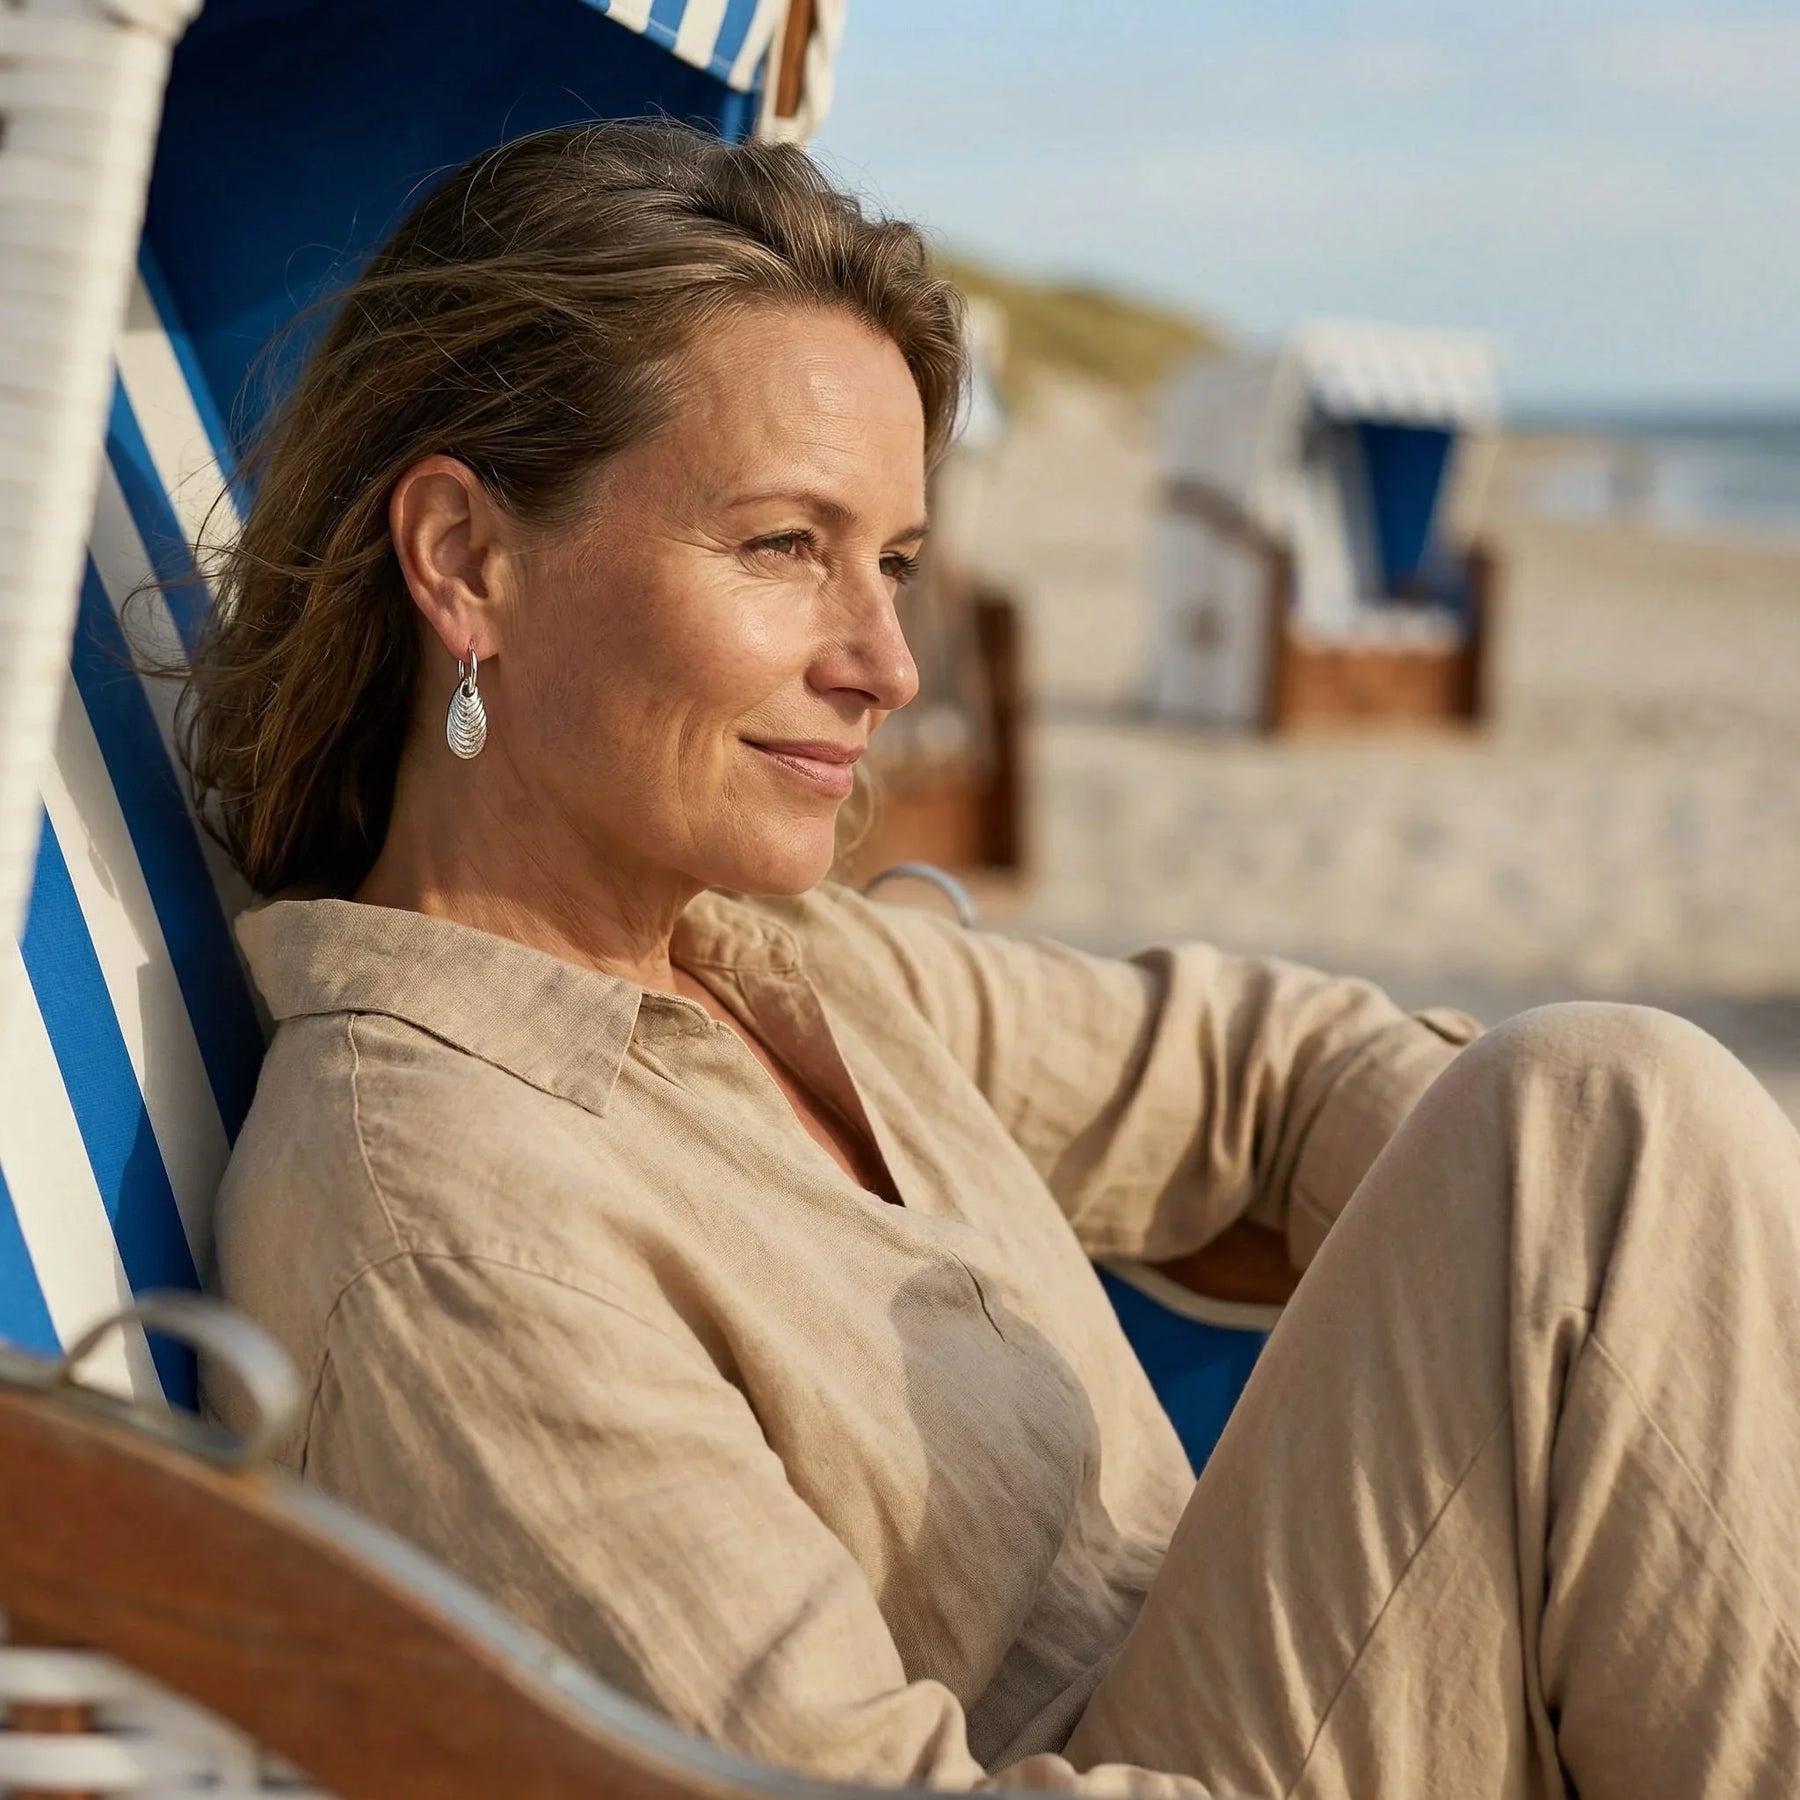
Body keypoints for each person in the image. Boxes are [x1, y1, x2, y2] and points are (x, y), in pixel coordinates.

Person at [192, 121, 1800, 1798]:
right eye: (781, 546)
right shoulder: (457, 1229)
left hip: (1328, 1687)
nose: (887, 660)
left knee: (1599, 1158)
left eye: (890, 560)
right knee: (1600, 1118)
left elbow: (1257, 1074)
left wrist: (1610, 1320)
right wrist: (1572, 1235)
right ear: (466, 559)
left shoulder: (774, 967)